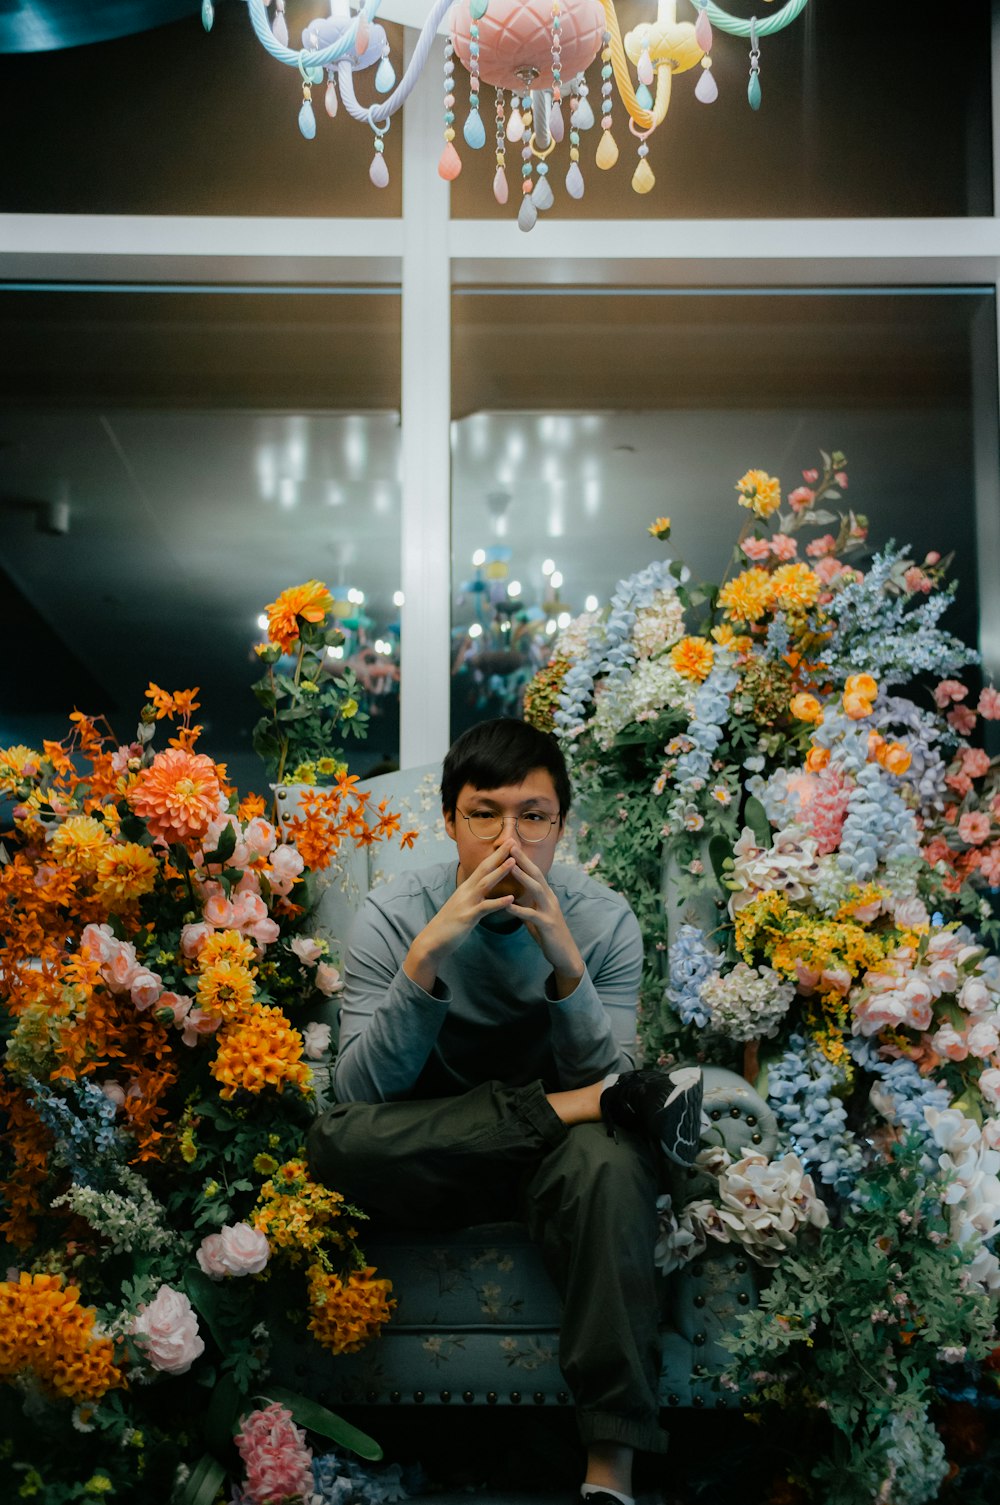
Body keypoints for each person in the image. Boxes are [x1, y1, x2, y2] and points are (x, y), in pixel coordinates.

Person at [307, 718, 703, 1505]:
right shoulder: (394, 911)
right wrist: (428, 956)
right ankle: (571, 1109)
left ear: (562, 824)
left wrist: (565, 960)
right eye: (485, 812)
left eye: (534, 814)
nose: (509, 836)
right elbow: (359, 1097)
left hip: (558, 1169)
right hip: (433, 1157)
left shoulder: (602, 919)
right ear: (450, 819)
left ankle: (609, 1477)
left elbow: (611, 1084)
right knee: (332, 1143)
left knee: (614, 1159)